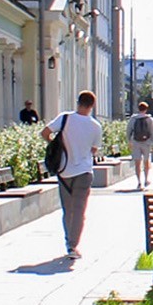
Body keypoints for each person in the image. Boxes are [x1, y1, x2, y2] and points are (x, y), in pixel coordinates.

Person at [48, 92, 104, 257]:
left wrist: (56, 145)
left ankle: (68, 241)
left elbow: (45, 132)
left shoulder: (64, 118)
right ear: (92, 106)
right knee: (79, 210)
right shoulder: (95, 126)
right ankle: (73, 246)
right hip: (84, 171)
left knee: (68, 210)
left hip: (64, 171)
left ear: (78, 102)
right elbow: (94, 149)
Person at [127, 101, 153, 190]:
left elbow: (128, 131)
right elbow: (152, 132)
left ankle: (139, 181)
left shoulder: (133, 119)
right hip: (146, 142)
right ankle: (146, 179)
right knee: (146, 161)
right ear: (146, 109)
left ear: (138, 108)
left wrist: (129, 141)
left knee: (137, 163)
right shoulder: (149, 119)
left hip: (135, 142)